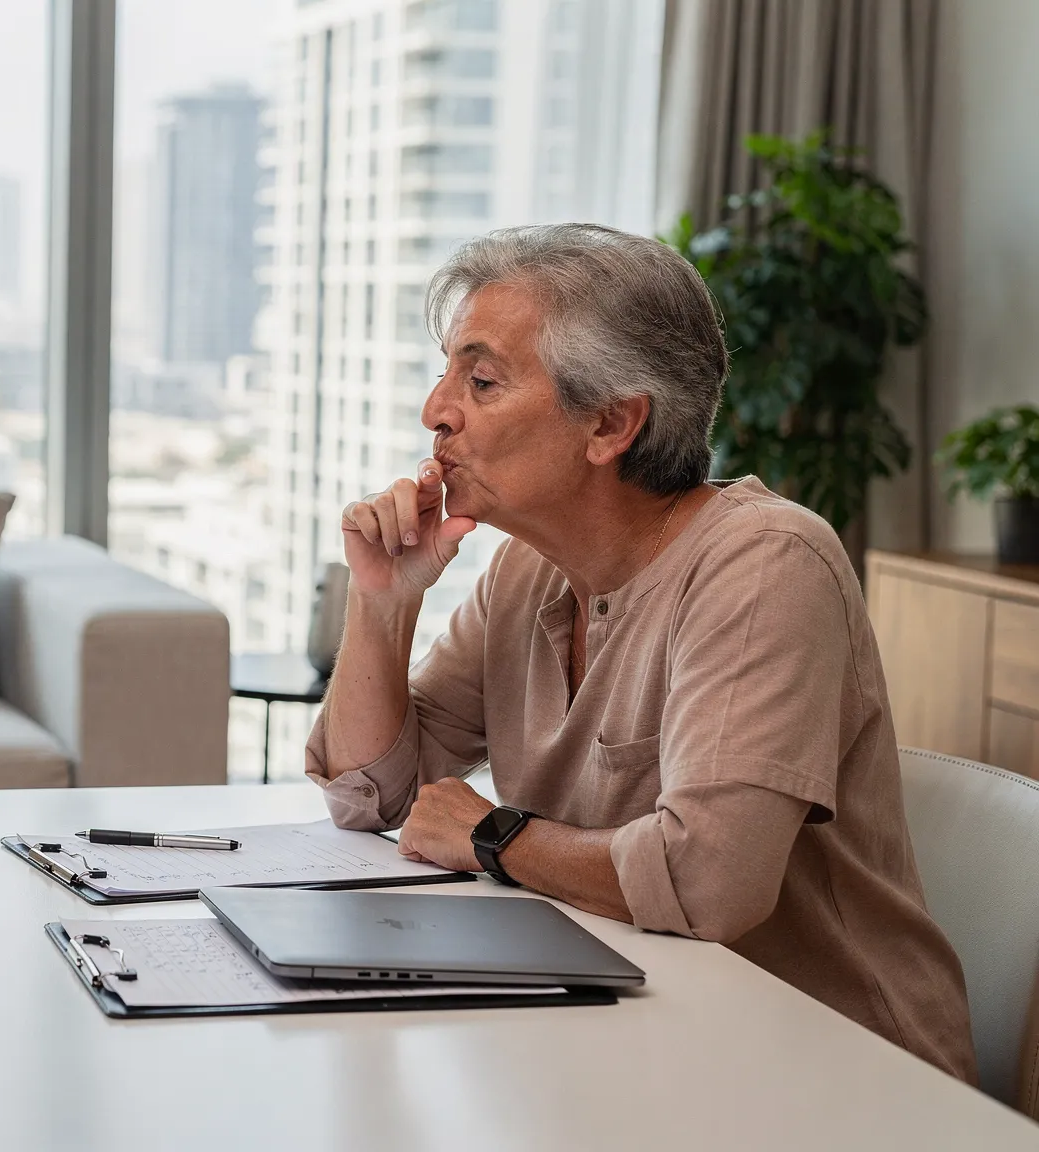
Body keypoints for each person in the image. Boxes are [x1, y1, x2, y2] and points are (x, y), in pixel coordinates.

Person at [312, 223, 977, 1083]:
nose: (436, 409)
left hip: (840, 1073)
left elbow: (708, 883)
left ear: (612, 424)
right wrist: (384, 603)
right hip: (636, 1037)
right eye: (446, 374)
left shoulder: (767, 564)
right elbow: (369, 794)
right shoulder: (527, 569)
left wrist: (492, 836)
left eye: (480, 379)